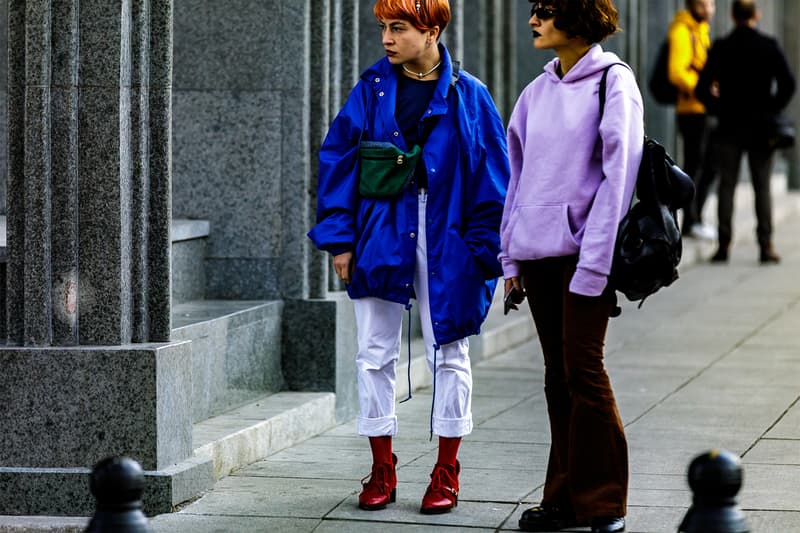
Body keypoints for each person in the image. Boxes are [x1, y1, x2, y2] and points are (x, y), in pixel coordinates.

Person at [307, 0, 509, 516]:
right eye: (383, 28)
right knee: (374, 351)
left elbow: (494, 180)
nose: (387, 39)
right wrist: (341, 240)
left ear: (432, 29)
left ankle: (446, 468)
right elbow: (337, 160)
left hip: (450, 234)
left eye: (398, 28)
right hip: (381, 232)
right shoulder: (371, 89)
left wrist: (488, 253)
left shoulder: (471, 95)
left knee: (451, 350)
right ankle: (382, 465)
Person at [500, 2, 643, 532]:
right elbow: (517, 180)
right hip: (537, 256)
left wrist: (596, 263)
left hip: (586, 256)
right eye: (534, 10)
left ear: (578, 19)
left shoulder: (613, 83)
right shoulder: (534, 94)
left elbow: (618, 178)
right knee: (557, 377)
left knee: (584, 369)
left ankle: (605, 502)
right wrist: (509, 255)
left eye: (546, 11)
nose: (534, 20)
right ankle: (562, 499)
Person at [695, 0, 795, 264]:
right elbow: (788, 83)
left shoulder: (722, 47)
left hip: (728, 126)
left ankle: (724, 244)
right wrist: (772, 108)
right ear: (756, 15)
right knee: (762, 186)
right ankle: (766, 244)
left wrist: (718, 107)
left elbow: (701, 88)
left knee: (726, 185)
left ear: (732, 16)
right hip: (762, 128)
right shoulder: (768, 45)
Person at [667, 0, 718, 241]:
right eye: (704, 5)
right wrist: (702, 88)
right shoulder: (682, 31)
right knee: (695, 167)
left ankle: (694, 219)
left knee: (707, 166)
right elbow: (676, 71)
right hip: (690, 111)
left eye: (712, 4)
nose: (709, 9)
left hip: (702, 109)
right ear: (692, 6)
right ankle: (690, 221)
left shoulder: (702, 30)